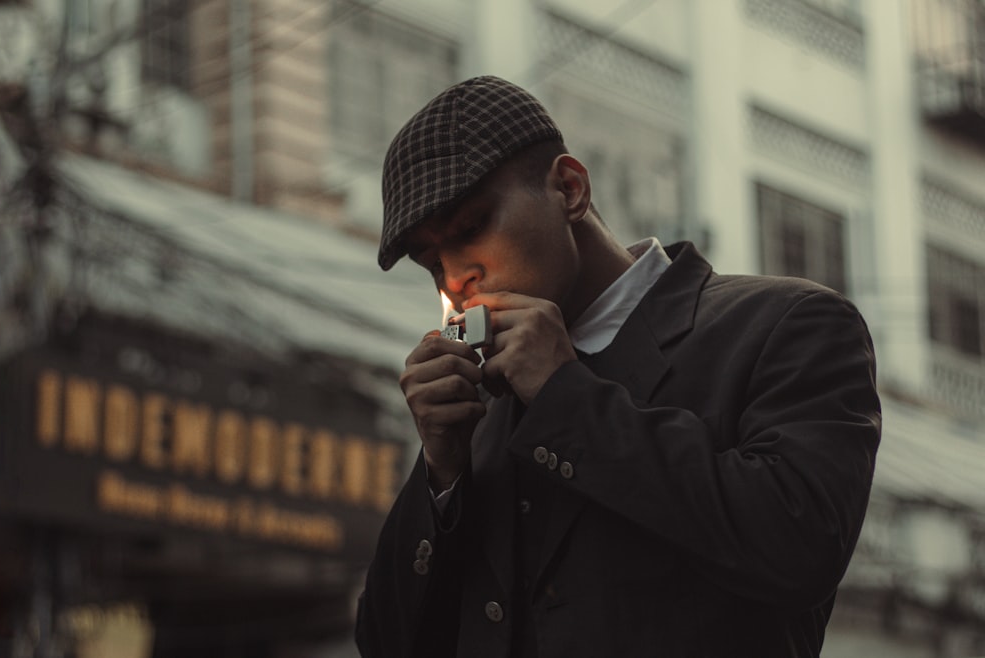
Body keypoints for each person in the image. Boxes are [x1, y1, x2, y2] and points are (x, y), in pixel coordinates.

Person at [355, 75, 881, 658]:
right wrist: (442, 473)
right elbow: (384, 643)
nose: (456, 279)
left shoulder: (784, 326)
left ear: (569, 189)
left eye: (472, 228)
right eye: (432, 264)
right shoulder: (482, 408)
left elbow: (799, 551)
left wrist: (566, 397)